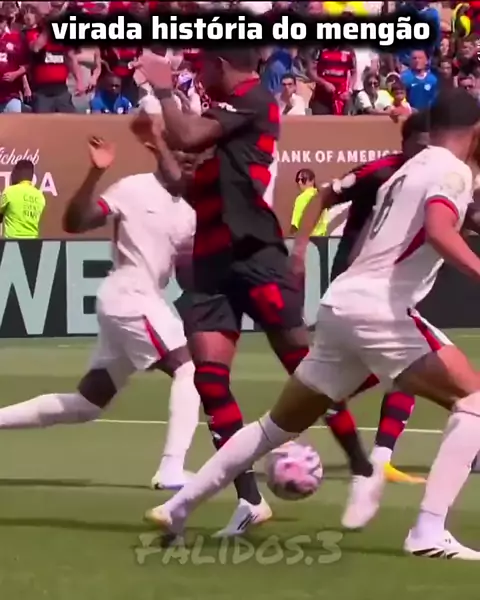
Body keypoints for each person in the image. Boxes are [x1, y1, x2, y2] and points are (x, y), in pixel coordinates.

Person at [145, 88, 480, 560]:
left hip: (342, 305)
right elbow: (439, 230)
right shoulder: (452, 171)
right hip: (380, 308)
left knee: (272, 427)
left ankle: (179, 506)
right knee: (475, 402)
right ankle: (428, 530)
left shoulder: (410, 168)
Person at [133, 48, 311, 537]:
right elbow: (183, 180)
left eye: (204, 65)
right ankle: (250, 500)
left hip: (251, 255)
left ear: (222, 64)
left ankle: (367, 459)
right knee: (209, 382)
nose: (199, 73)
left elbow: (189, 136)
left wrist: (164, 90)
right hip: (214, 262)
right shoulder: (227, 124)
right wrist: (158, 142)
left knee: (309, 369)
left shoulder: (247, 108)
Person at [0, 132, 201, 492]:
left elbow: (186, 273)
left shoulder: (190, 211)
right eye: (180, 150)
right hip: (130, 294)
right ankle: (171, 468)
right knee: (188, 369)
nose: (187, 157)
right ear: (161, 152)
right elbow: (75, 222)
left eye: (194, 152)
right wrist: (95, 173)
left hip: (142, 298)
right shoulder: (133, 188)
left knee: (87, 404)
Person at [289, 114, 431, 518]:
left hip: (395, 283)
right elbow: (324, 195)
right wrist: (300, 247)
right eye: (421, 144)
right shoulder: (379, 171)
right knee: (405, 364)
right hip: (358, 281)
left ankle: (378, 455)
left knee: (406, 366)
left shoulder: (434, 175)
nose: (427, 151)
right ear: (406, 143)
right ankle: (316, 411)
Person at [0, 159, 45, 239]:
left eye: (12, 173)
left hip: (12, 241)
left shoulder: (10, 192)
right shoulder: (40, 196)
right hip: (33, 242)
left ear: (17, 173)